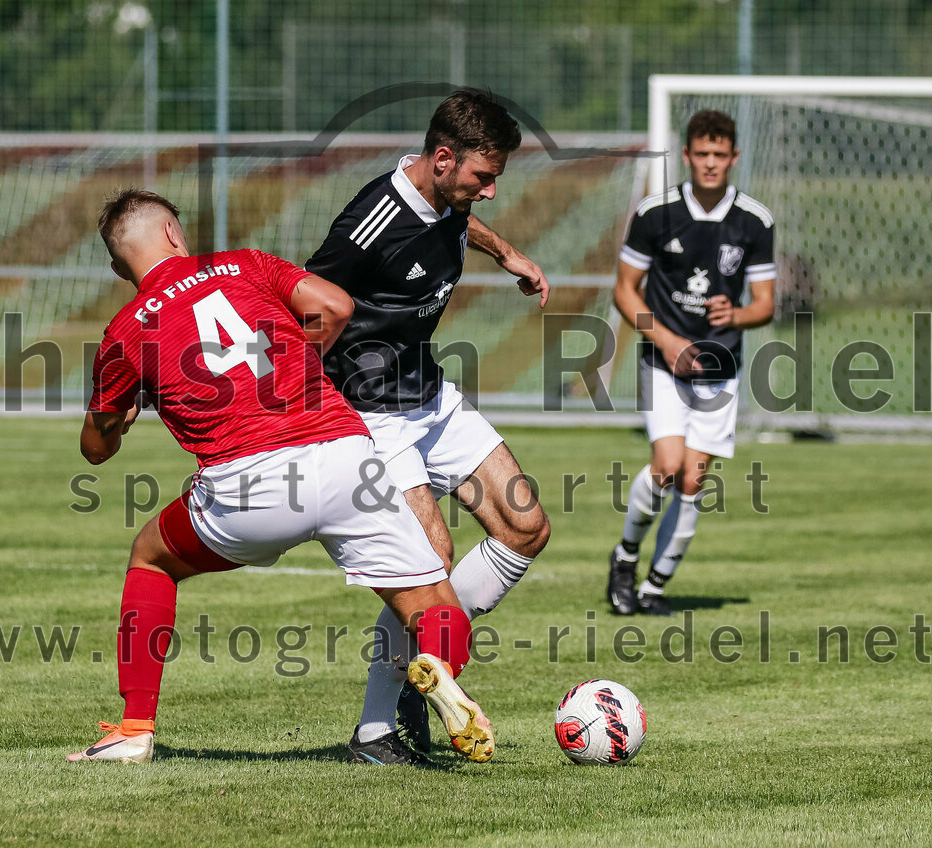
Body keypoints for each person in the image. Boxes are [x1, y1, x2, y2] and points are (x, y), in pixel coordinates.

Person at [67, 189, 495, 766]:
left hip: (247, 486)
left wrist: (120, 417)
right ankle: (437, 667)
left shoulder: (125, 329)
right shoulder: (244, 263)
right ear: (173, 234)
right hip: (344, 458)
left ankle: (134, 729)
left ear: (121, 268)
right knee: (439, 610)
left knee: (150, 558)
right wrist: (294, 358)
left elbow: (96, 449)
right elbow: (336, 306)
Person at [305, 89, 552, 764]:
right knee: (427, 565)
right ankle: (374, 731)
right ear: (443, 158)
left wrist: (507, 254)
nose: (490, 190)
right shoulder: (371, 222)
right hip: (370, 413)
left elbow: (461, 220)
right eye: (483, 176)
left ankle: (427, 667)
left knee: (525, 527)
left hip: (428, 395)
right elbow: (302, 305)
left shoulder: (448, 198)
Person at [607, 110, 776, 616]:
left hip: (721, 369)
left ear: (734, 157)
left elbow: (765, 304)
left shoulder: (755, 221)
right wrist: (665, 340)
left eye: (719, 155)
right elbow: (624, 290)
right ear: (686, 155)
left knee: (692, 480)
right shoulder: (655, 213)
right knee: (667, 466)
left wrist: (737, 314)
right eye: (701, 154)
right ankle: (625, 556)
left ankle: (654, 588)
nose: (710, 163)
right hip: (664, 364)